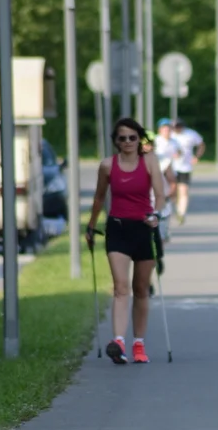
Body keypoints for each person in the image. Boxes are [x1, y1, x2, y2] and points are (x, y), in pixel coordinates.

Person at [86, 118, 166, 365]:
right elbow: (99, 198)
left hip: (144, 228)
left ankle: (138, 344)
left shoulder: (150, 161)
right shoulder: (108, 166)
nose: (128, 142)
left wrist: (156, 215)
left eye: (133, 137)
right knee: (121, 287)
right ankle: (118, 341)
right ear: (116, 141)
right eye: (122, 138)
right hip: (118, 228)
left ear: (139, 138)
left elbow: (161, 195)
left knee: (141, 288)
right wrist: (91, 226)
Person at [170, 119, 205, 224]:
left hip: (185, 167)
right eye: (176, 127)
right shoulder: (169, 135)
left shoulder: (190, 134)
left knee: (184, 190)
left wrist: (197, 156)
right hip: (171, 167)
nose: (178, 129)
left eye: (179, 126)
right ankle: (177, 208)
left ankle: (182, 213)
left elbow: (201, 144)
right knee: (173, 192)